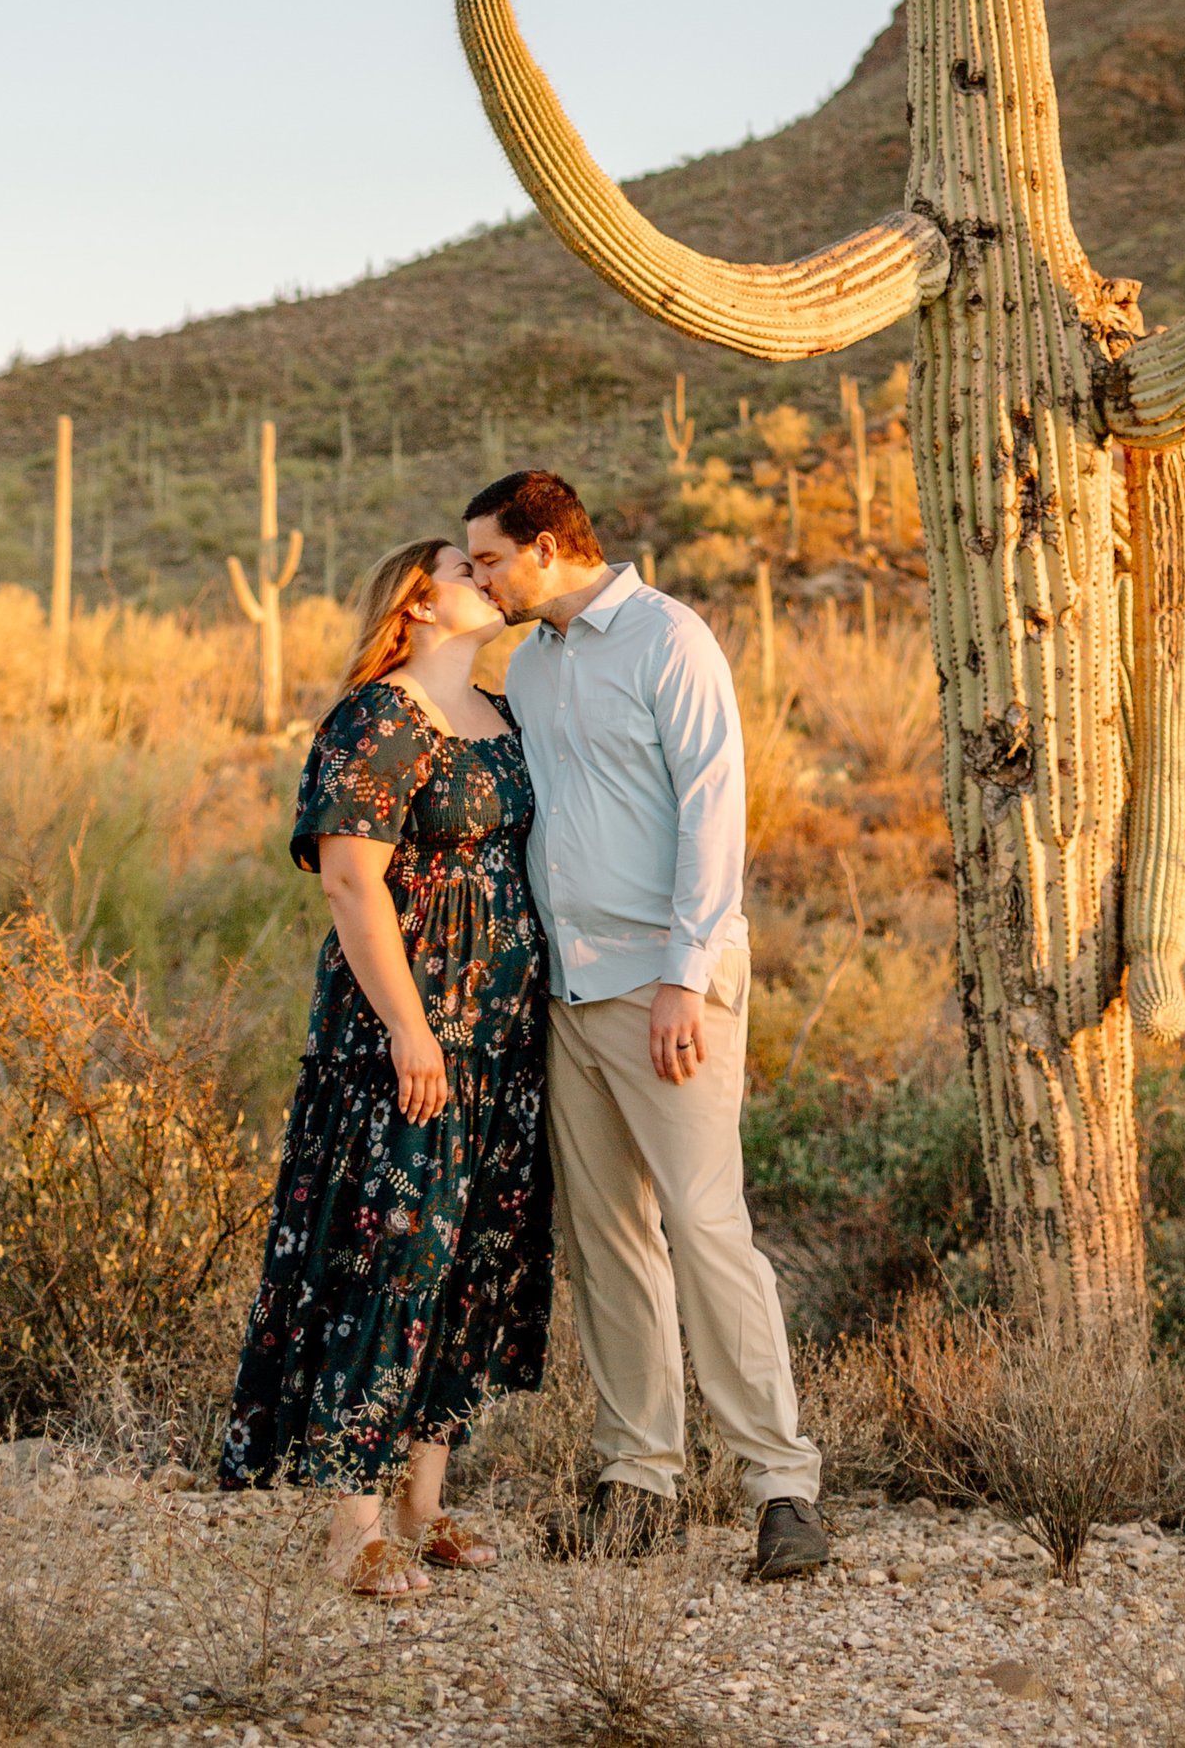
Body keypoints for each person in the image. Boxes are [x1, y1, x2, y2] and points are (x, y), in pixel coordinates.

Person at [462, 469, 829, 1583]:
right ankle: (638, 1479)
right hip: (566, 990)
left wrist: (684, 975)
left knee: (705, 1224)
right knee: (608, 1242)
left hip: (666, 984)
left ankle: (781, 1486)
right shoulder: (527, 665)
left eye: (489, 561)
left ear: (547, 546)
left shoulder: (671, 640)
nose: (481, 581)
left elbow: (715, 809)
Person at [219, 538, 551, 1595]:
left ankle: (422, 1508)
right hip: (405, 1038)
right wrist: (410, 1026)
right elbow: (353, 886)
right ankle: (349, 1530)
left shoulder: (500, 715)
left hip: (502, 1040)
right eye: (466, 568)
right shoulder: (379, 717)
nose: (486, 580)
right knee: (388, 1262)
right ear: (416, 604)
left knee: (463, 1267)